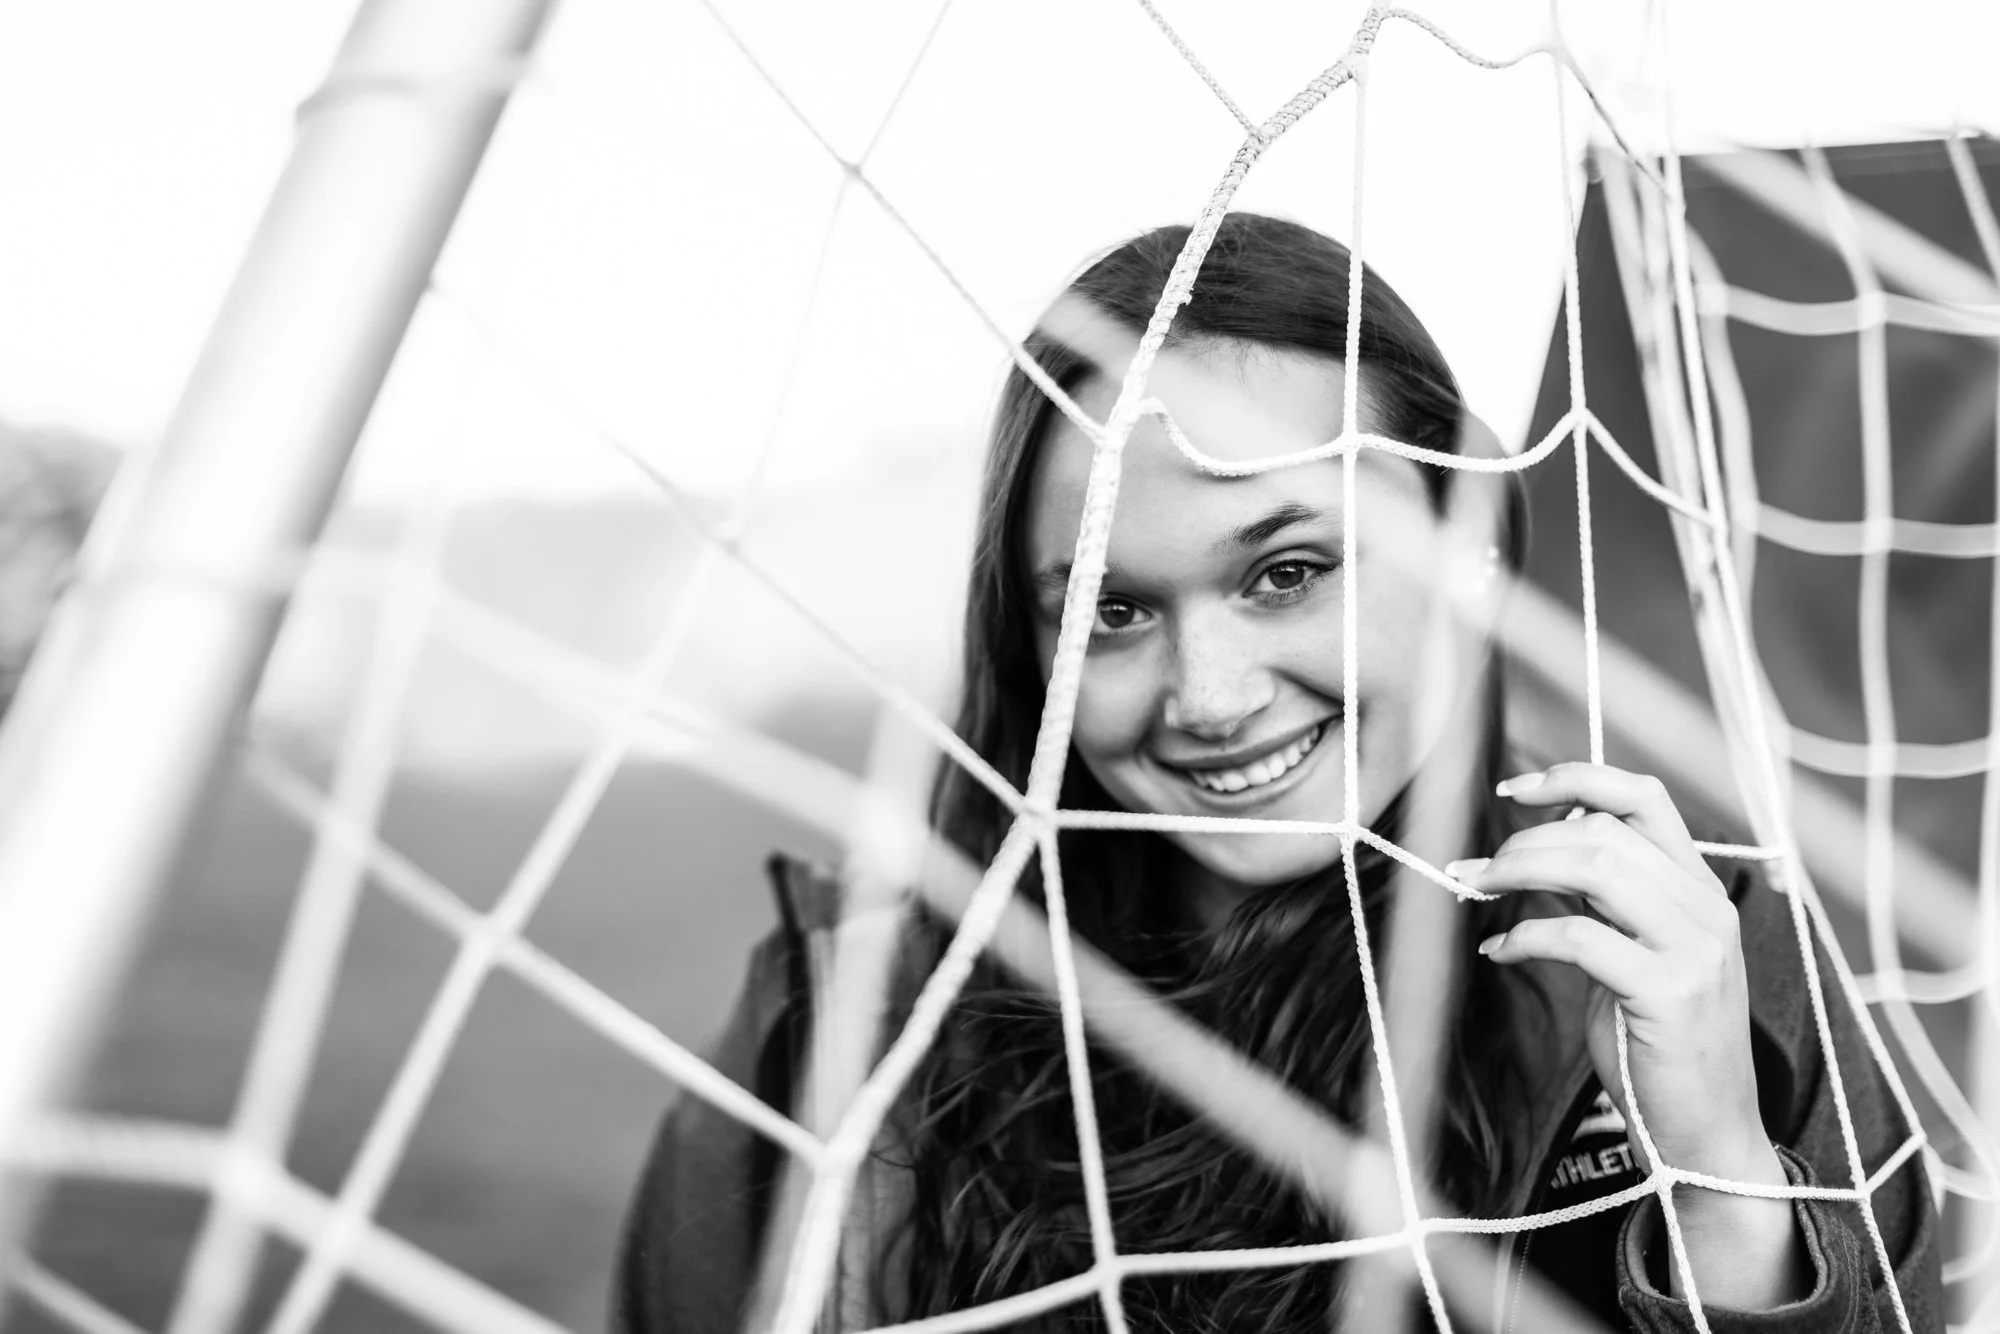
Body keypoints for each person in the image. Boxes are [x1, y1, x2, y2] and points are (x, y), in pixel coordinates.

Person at [613, 213, 1940, 1331]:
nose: (1211, 697)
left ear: (1457, 530)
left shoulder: (1716, 957)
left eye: (1288, 571)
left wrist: (1720, 1172)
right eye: (1112, 613)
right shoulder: (848, 1009)